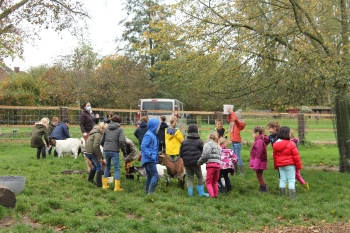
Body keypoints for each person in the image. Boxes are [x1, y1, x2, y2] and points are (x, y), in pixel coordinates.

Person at [273, 126, 302, 199]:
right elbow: (296, 156)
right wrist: (298, 166)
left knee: (282, 179)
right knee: (291, 180)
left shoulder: (275, 144)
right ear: (287, 134)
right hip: (290, 165)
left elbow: (275, 156)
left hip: (280, 165)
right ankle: (292, 197)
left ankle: (282, 196)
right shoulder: (291, 143)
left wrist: (276, 165)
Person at [179, 124, 208, 197]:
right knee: (199, 176)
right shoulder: (200, 141)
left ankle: (190, 193)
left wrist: (185, 159)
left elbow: (180, 154)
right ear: (197, 131)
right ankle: (201, 193)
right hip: (196, 162)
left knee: (189, 177)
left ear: (188, 131)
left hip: (187, 163)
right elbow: (203, 152)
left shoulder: (183, 141)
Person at [100, 115, 127, 191]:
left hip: (106, 150)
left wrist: (105, 147)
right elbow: (122, 141)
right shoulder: (119, 129)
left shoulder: (106, 129)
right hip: (114, 151)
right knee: (116, 168)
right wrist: (124, 151)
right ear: (119, 121)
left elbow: (101, 141)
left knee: (107, 167)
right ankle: (117, 187)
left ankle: (104, 186)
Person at [83, 122, 108, 188]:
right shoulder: (98, 134)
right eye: (106, 130)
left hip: (87, 151)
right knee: (99, 166)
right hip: (90, 152)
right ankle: (99, 185)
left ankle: (90, 180)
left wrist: (101, 157)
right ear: (102, 129)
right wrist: (100, 157)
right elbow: (95, 146)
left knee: (94, 166)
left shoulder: (95, 132)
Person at [197, 132, 221, 198]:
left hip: (211, 165)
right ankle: (216, 195)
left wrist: (199, 162)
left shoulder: (208, 144)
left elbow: (205, 155)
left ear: (209, 137)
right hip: (218, 166)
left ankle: (212, 195)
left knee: (208, 182)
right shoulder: (218, 146)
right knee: (215, 182)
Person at [141, 118, 160, 195]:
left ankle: (147, 192)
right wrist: (151, 155)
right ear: (154, 126)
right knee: (155, 175)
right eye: (158, 126)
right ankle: (150, 193)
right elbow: (143, 146)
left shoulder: (152, 134)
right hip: (149, 159)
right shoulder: (149, 135)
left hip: (149, 159)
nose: (158, 128)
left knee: (149, 176)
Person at [227, 108, 246, 175]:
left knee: (238, 157)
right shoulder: (233, 123)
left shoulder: (238, 123)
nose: (232, 117)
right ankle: (235, 171)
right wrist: (228, 113)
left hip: (237, 143)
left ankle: (242, 172)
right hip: (233, 142)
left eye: (233, 116)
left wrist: (232, 112)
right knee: (233, 157)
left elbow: (235, 119)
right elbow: (229, 119)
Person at [249, 126, 268, 192]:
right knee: (259, 176)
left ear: (257, 133)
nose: (252, 135)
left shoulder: (259, 142)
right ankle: (264, 187)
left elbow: (258, 154)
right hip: (259, 162)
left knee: (259, 176)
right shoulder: (258, 141)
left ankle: (263, 190)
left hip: (259, 163)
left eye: (253, 133)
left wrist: (256, 165)